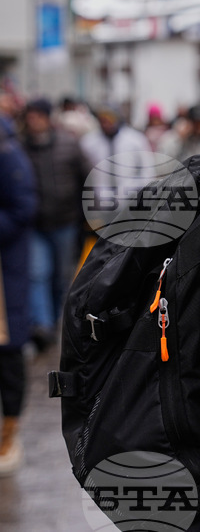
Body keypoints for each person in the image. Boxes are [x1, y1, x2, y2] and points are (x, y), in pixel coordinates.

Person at [21, 97, 90, 352]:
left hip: (65, 222)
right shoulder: (22, 147)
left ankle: (54, 317)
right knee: (38, 273)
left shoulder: (69, 145)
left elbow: (87, 178)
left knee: (60, 276)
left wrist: (87, 216)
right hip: (36, 224)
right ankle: (43, 324)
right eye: (30, 115)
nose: (33, 120)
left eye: (38, 115)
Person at [0, 112, 37, 475]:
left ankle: (10, 431)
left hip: (5, 272)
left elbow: (23, 209)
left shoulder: (8, 153)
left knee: (8, 351)